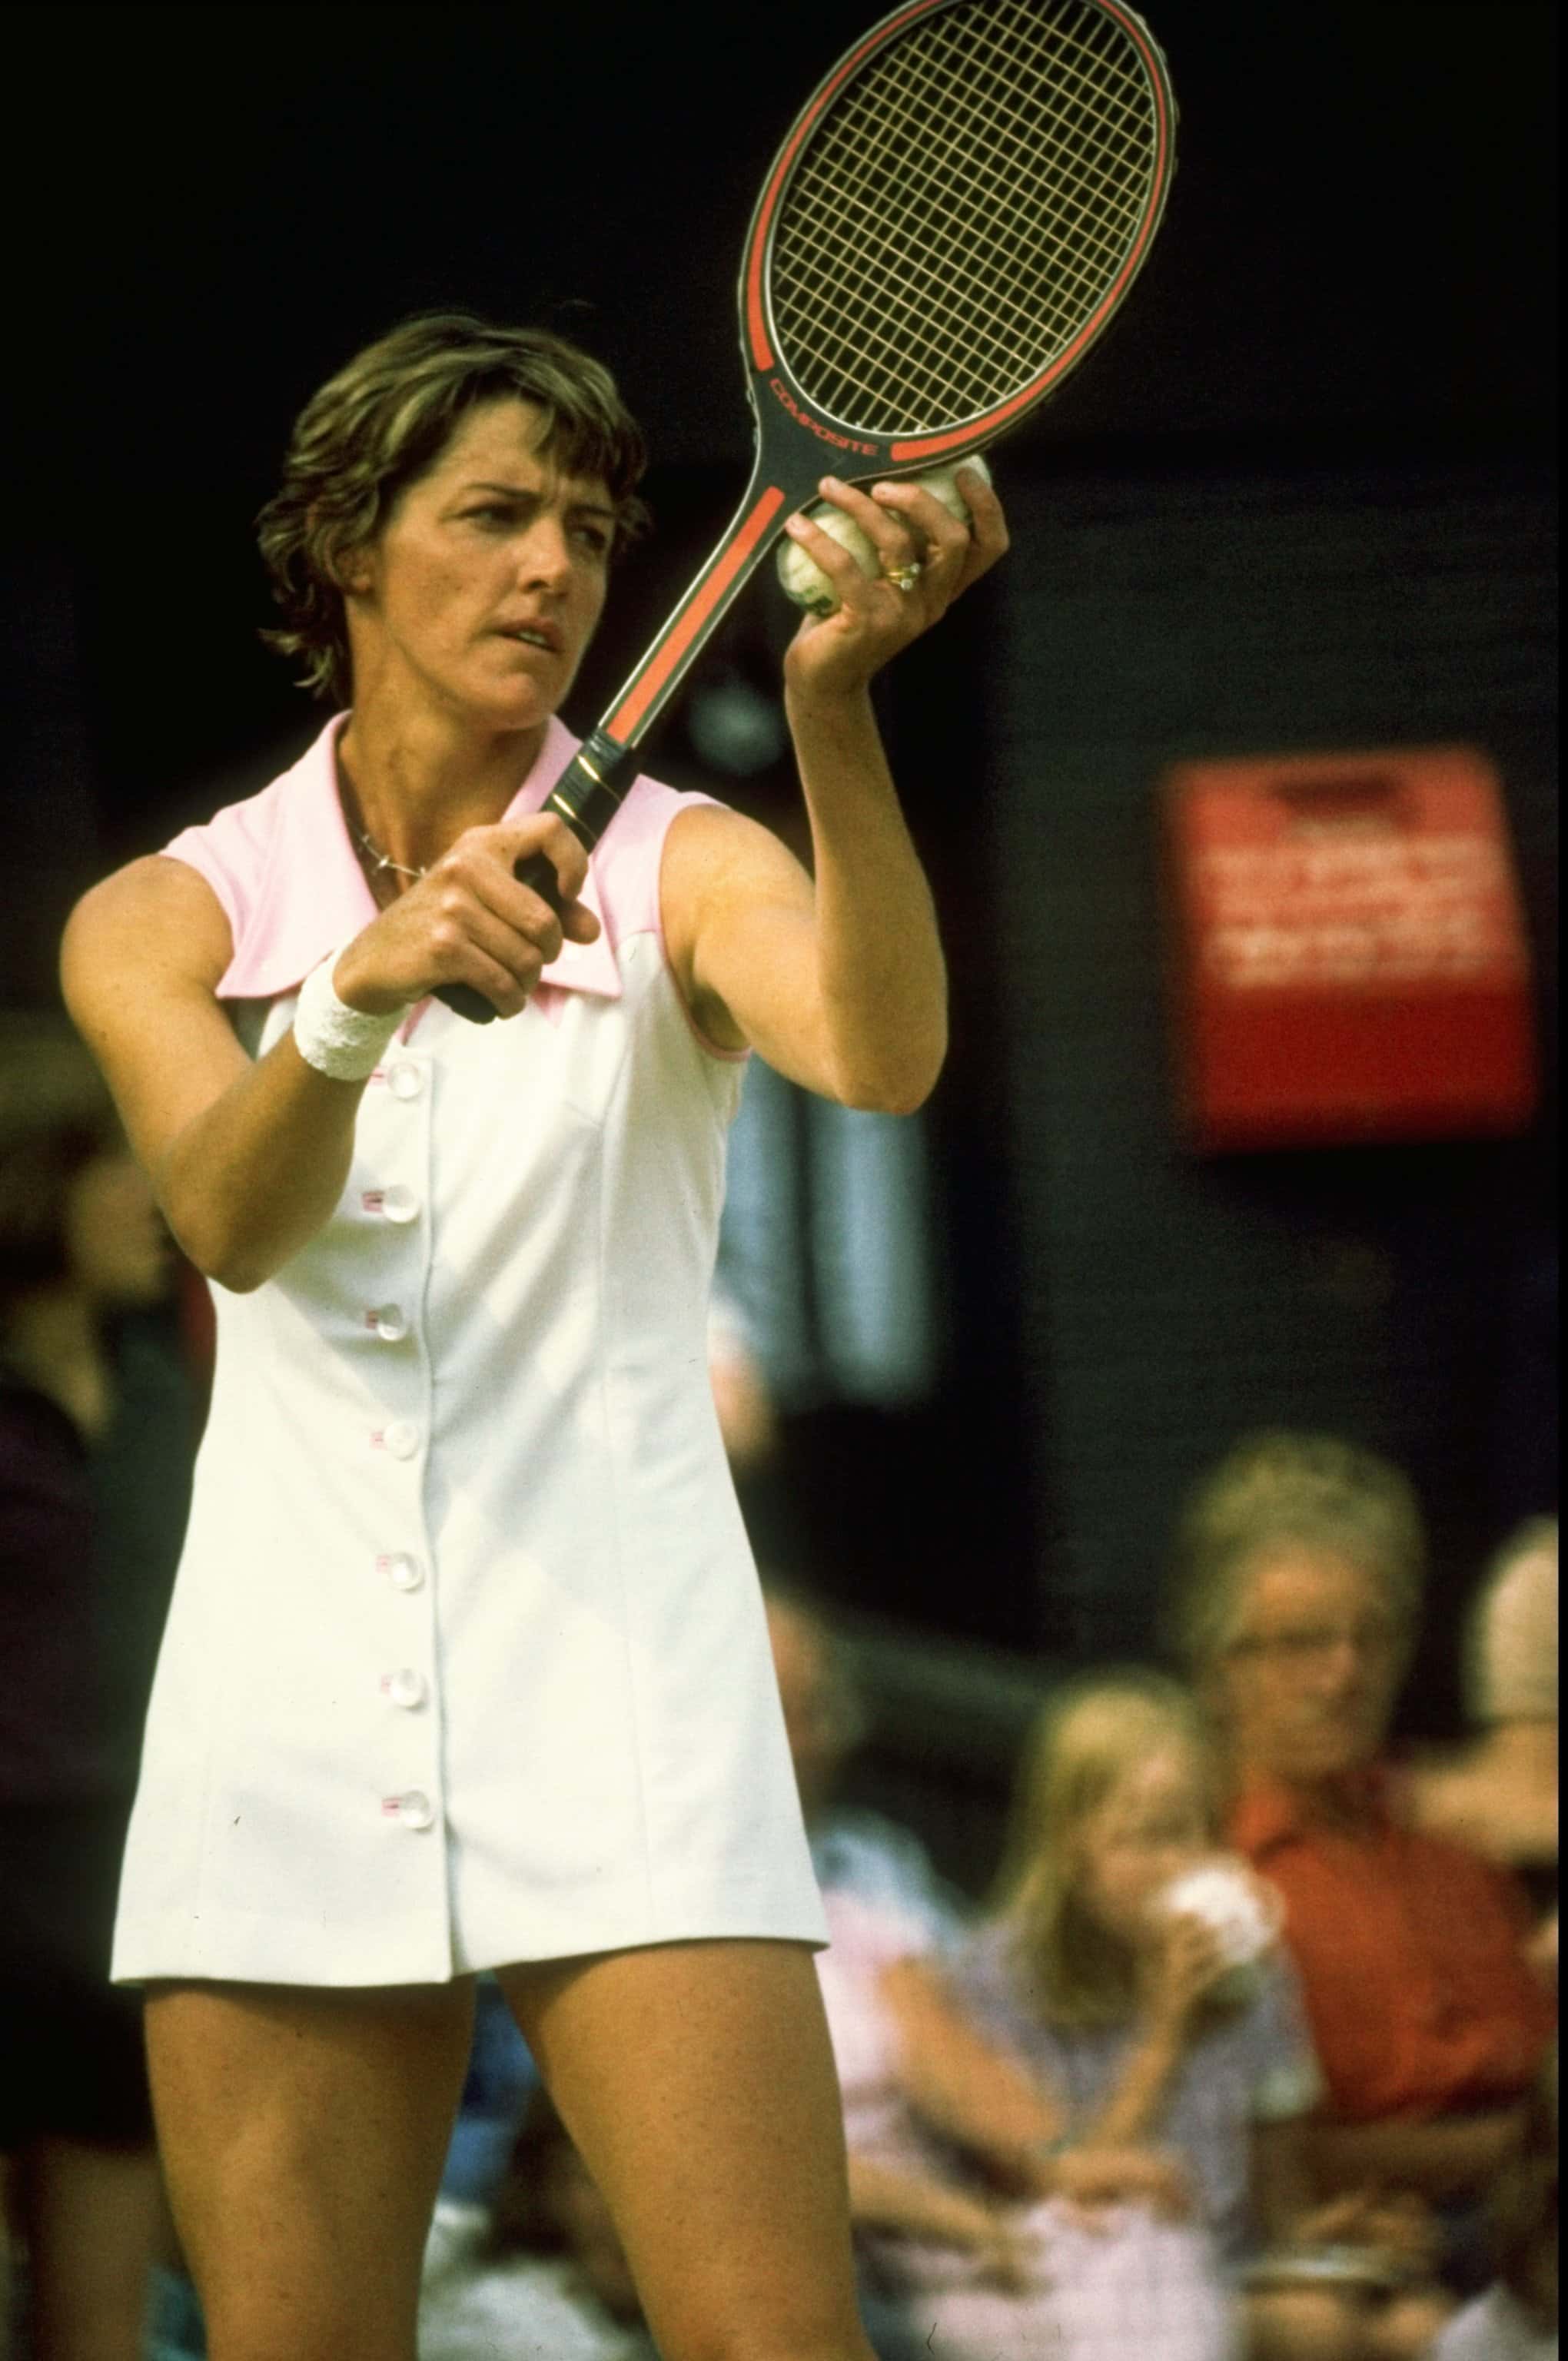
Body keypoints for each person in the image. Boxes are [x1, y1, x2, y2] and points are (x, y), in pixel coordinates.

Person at [58, 310, 1008, 2361]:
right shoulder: (168, 917)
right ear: (344, 553)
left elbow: (885, 1050)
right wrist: (356, 993)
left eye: (583, 527)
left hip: (633, 1701)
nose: (554, 570)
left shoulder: (689, 863)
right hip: (283, 1720)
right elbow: (228, 1220)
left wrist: (834, 712)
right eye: (490, 517)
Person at [888, 1671, 1452, 2359]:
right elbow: (1070, 2207)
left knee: (1425, 2325)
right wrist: (1164, 2032)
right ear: (1071, 1845)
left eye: (1200, 1834)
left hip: (1229, 2270)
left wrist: (1336, 2235)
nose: (1181, 1864)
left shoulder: (1252, 1971)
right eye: (1148, 1838)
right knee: (1319, 2330)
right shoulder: (994, 1980)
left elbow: (1274, 2213)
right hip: (1086, 2292)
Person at [1167, 1432, 1557, 2298]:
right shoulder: (1218, 1882)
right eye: (1303, 1643)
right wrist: (1530, 2142)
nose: (1343, 1674)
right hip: (1400, 2261)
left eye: (1370, 1637)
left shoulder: (1450, 1832)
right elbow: (1289, 2159)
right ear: (1221, 1665)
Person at [0, 1019, 190, 2361]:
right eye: (121, 1157)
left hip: (118, 1922)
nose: (159, 1191)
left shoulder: (171, 1393)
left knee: (99, 2343)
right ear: (35, 1175)